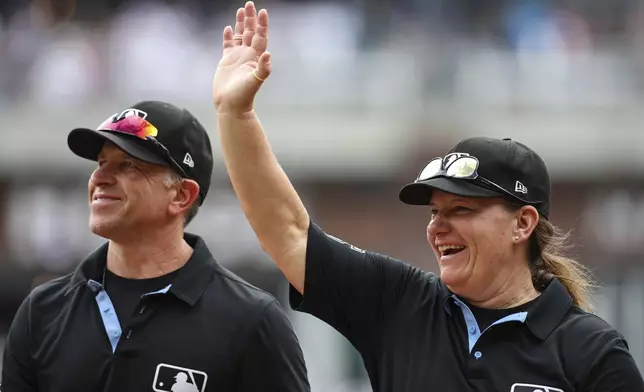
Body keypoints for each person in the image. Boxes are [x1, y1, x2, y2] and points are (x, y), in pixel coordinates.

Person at [212, 2, 644, 391]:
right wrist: (236, 114)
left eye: (461, 209)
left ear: (523, 223)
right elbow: (287, 231)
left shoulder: (592, 352)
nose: (437, 227)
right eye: (435, 211)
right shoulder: (401, 303)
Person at [1, 100, 310, 392]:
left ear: (181, 196)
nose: (100, 178)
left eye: (128, 165)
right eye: (102, 162)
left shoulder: (253, 320)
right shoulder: (41, 311)